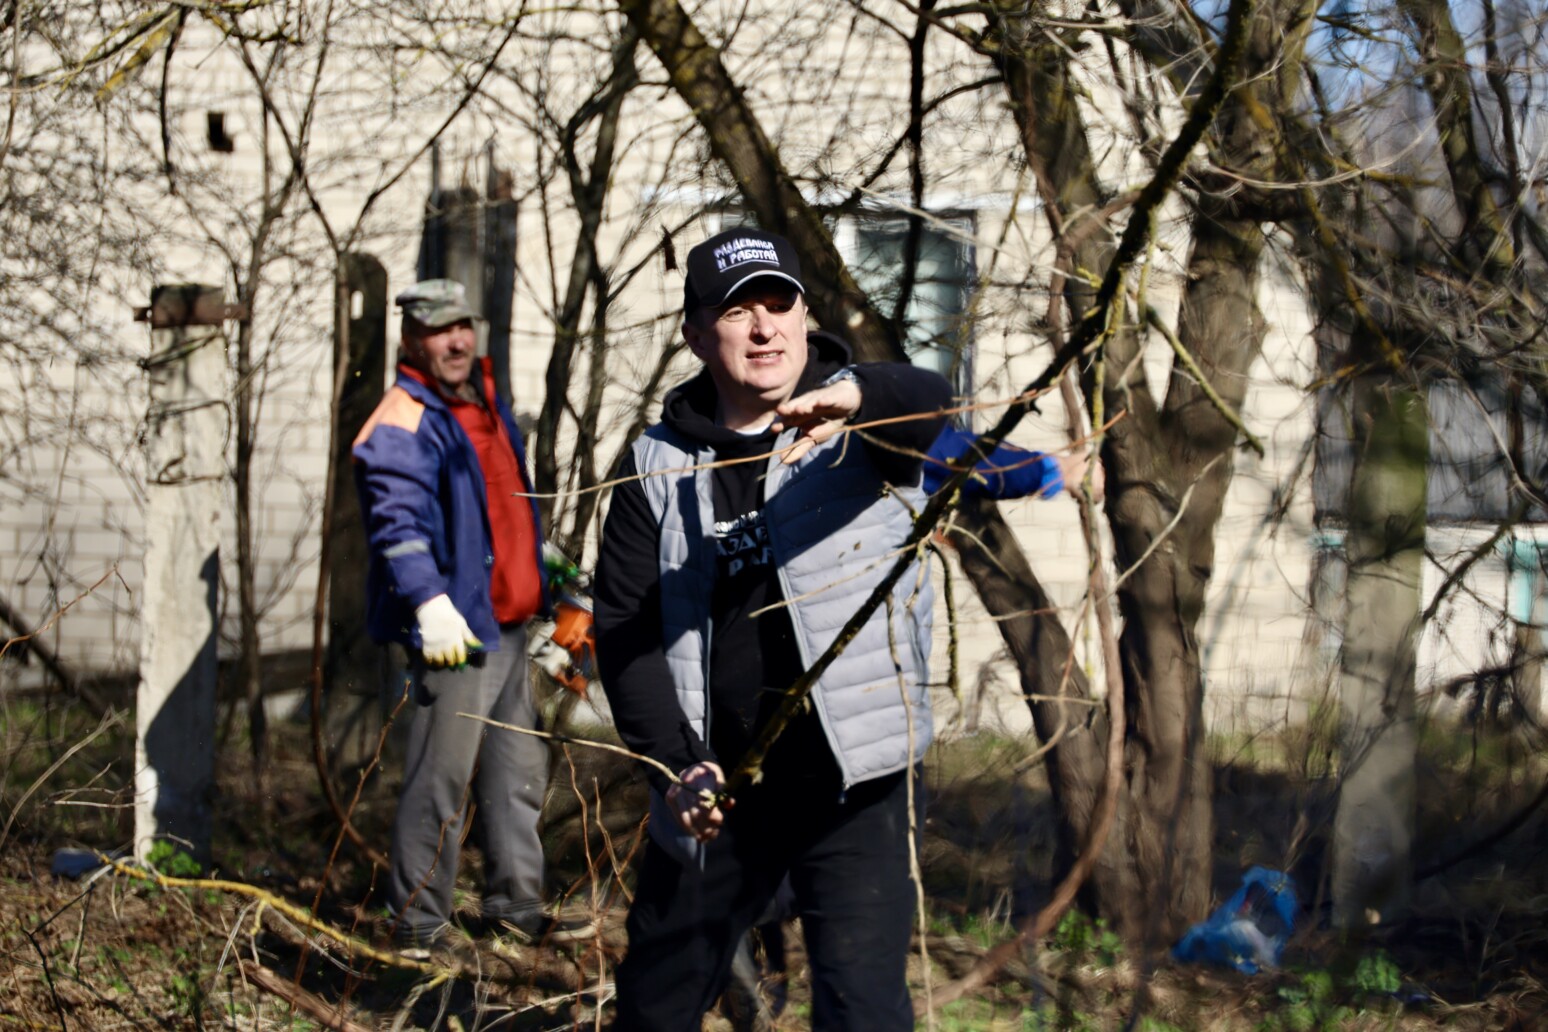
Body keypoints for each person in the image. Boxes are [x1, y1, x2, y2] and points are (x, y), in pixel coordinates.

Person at [593, 228, 952, 1029]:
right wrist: (677, 766)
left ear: (804, 315)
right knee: (655, 1004)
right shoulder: (654, 467)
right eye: (737, 312)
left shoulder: (865, 428)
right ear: (696, 335)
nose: (764, 329)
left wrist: (860, 398)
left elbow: (933, 403)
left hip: (853, 783)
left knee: (861, 1009)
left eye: (778, 304)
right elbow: (623, 630)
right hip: (719, 787)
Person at [352, 278, 592, 957]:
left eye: (462, 325)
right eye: (439, 330)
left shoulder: (483, 402)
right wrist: (428, 603)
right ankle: (417, 927)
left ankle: (515, 907)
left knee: (518, 772)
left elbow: (500, 507)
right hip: (456, 632)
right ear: (411, 340)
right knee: (441, 780)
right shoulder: (403, 417)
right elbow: (396, 525)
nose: (456, 340)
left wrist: (549, 570)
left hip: (512, 624)